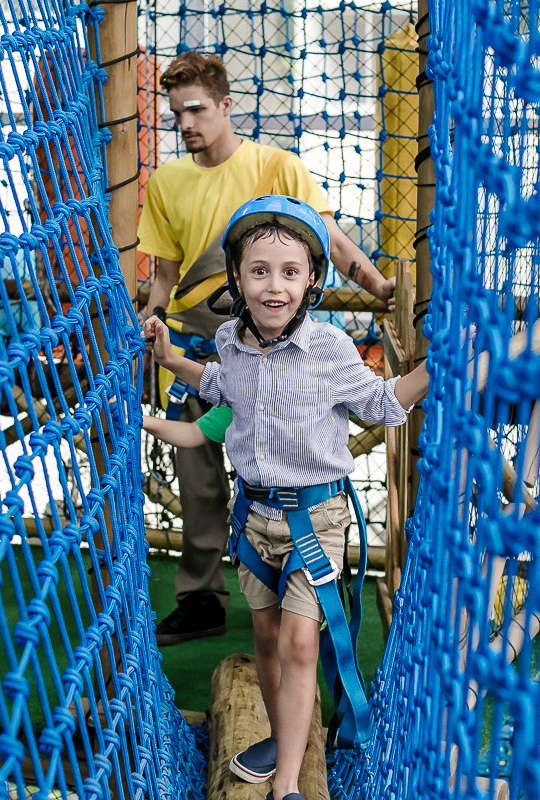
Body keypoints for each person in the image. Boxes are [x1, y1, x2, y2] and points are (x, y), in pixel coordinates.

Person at [143, 196, 428, 800]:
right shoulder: (230, 340)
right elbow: (222, 383)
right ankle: (281, 731)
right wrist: (170, 359)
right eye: (260, 271)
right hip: (255, 519)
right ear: (238, 278)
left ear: (312, 280)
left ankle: (288, 785)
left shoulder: (328, 348)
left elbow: (380, 403)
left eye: (291, 272)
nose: (275, 286)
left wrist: (435, 370)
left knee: (301, 640)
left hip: (315, 516)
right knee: (267, 639)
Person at [136, 51, 398, 646]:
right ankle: (201, 597)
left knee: (288, 462)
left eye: (197, 109)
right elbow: (165, 274)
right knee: (199, 476)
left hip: (278, 346)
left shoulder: (276, 167)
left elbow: (328, 240)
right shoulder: (168, 183)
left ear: (227, 105)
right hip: (205, 341)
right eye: (176, 112)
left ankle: (300, 597)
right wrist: (153, 324)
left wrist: (376, 284)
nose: (185, 123)